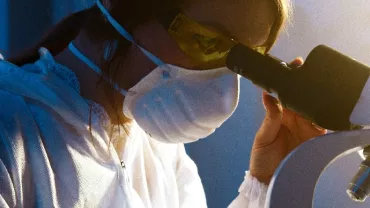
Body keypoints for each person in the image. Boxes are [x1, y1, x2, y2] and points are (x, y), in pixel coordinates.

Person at [0, 0, 326, 207]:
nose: (222, 80)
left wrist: (267, 183)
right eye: (206, 41)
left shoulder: (162, 155)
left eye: (246, 62)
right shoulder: (12, 134)